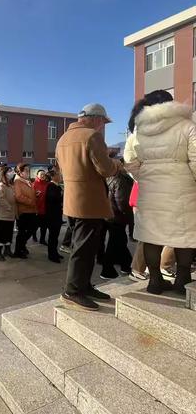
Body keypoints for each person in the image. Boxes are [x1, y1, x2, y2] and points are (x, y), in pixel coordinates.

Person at [124, 90, 196, 295]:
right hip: (182, 186)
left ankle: (154, 280)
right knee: (185, 236)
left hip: (150, 188)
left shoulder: (139, 131)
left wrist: (145, 177)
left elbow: (130, 161)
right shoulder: (187, 126)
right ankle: (182, 279)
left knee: (151, 235)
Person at [56, 103, 120, 311]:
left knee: (83, 246)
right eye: (102, 121)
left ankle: (83, 286)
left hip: (73, 200)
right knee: (84, 248)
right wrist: (117, 163)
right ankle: (72, 291)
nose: (102, 126)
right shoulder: (92, 137)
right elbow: (106, 169)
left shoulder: (63, 139)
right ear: (94, 118)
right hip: (89, 202)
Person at [128, 181, 176, 281]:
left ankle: (142, 269)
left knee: (151, 235)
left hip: (148, 201)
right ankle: (139, 270)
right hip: (147, 202)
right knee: (148, 236)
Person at [100, 157, 134, 279]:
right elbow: (122, 202)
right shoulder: (120, 180)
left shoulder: (107, 178)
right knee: (114, 243)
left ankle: (126, 265)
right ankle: (107, 270)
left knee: (120, 241)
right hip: (118, 217)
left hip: (109, 215)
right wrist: (129, 217)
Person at [13, 163, 38, 259]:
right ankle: (18, 250)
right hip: (23, 211)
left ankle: (22, 246)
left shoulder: (26, 181)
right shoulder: (17, 182)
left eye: (29, 170)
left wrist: (35, 194)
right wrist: (31, 201)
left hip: (30, 210)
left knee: (32, 228)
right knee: (22, 232)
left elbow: (29, 193)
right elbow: (18, 197)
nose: (28, 172)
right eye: (26, 170)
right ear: (20, 172)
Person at [0, 166, 16, 261]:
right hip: (3, 215)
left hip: (11, 215)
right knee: (1, 234)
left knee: (8, 234)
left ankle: (7, 250)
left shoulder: (11, 185)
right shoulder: (1, 185)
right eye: (9, 171)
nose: (12, 173)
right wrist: (9, 207)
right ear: (4, 174)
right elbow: (0, 199)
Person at [45, 170, 64, 263]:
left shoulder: (57, 186)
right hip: (52, 215)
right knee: (52, 237)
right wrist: (61, 197)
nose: (60, 176)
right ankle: (51, 255)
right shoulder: (50, 186)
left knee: (56, 237)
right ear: (53, 177)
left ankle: (55, 252)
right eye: (58, 175)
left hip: (57, 215)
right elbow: (53, 198)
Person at [32, 170, 49, 245]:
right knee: (35, 225)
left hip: (45, 209)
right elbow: (31, 197)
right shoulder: (34, 184)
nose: (42, 176)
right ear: (37, 175)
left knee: (44, 226)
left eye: (44, 174)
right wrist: (36, 195)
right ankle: (34, 235)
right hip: (37, 209)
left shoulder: (47, 184)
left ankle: (42, 239)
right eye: (41, 174)